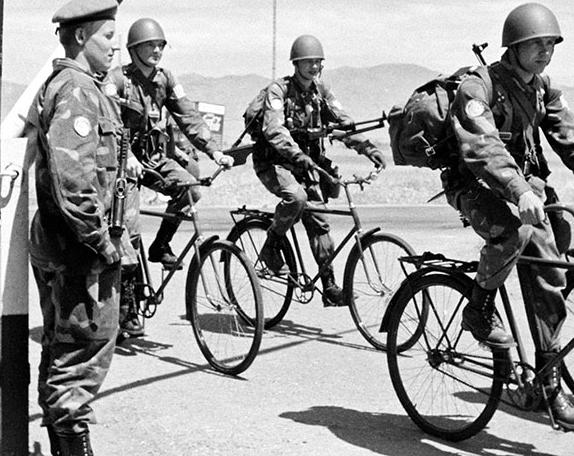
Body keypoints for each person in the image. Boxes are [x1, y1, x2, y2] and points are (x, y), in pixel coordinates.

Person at [443, 3, 574, 430]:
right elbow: (483, 149)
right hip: (474, 185)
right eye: (536, 44)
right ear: (513, 46)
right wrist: (517, 190)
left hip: (526, 189)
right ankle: (478, 308)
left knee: (556, 252)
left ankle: (543, 383)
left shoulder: (543, 90)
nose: (545, 51)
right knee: (515, 236)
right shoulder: (479, 88)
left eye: (550, 44)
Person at [27, 0, 131, 456]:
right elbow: (74, 177)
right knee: (79, 359)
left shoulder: (85, 86)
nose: (116, 47)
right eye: (108, 37)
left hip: (69, 248)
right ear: (80, 37)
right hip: (78, 253)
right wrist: (101, 242)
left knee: (63, 353)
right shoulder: (75, 90)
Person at [108, 17, 233, 338]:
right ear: (134, 49)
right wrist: (129, 158)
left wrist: (214, 151)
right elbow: (105, 124)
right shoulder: (118, 81)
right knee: (129, 232)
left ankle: (161, 244)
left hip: (153, 158)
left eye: (160, 45)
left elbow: (189, 116)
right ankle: (128, 310)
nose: (157, 50)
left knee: (191, 190)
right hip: (121, 163)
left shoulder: (166, 80)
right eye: (150, 45)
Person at [252, 34, 387, 307]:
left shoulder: (322, 92)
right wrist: (297, 154)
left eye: (318, 62)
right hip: (274, 162)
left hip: (307, 165)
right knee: (296, 198)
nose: (314, 67)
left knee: (320, 221)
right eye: (308, 62)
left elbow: (344, 127)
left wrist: (369, 149)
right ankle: (271, 247)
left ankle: (329, 285)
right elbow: (274, 130)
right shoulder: (278, 92)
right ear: (296, 64)